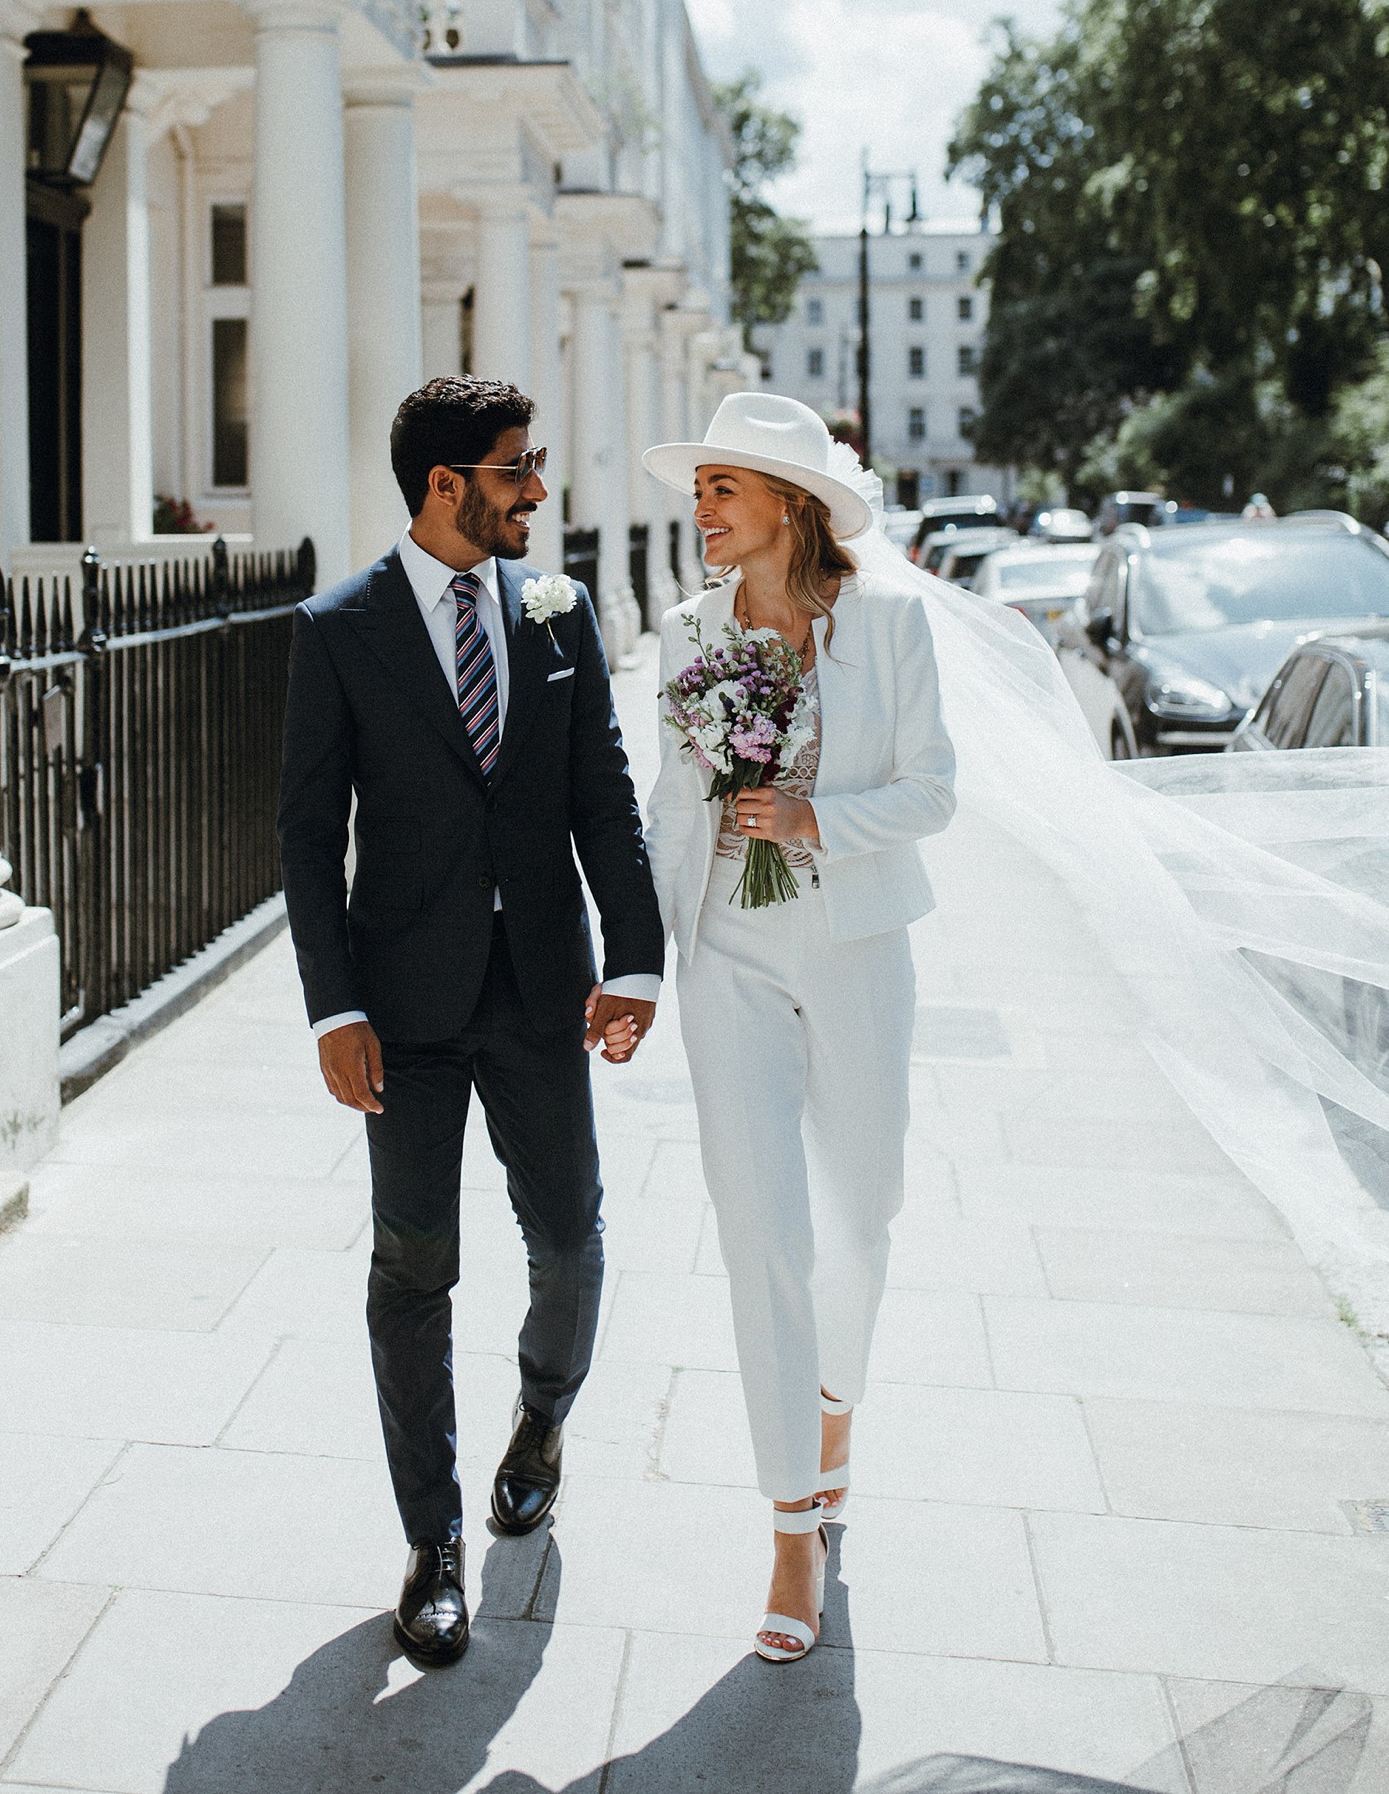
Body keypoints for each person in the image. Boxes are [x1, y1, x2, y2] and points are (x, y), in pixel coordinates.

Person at [278, 376, 665, 1669]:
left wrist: (639, 958)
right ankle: (433, 1544)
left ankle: (541, 1416)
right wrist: (333, 1004)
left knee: (568, 1237)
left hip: (540, 989)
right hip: (404, 1008)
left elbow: (602, 791)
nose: (538, 490)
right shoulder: (339, 628)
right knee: (413, 1269)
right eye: (518, 467)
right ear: (447, 483)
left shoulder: (555, 613)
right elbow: (305, 834)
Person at [639, 394, 955, 1664]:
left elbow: (933, 790)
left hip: (859, 949)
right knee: (760, 1230)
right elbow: (670, 802)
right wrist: (634, 968)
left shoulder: (888, 623)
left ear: (788, 505)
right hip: (730, 953)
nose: (702, 511)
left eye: (723, 489)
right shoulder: (683, 633)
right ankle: (786, 1525)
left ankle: (836, 1403)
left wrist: (816, 818)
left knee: (859, 1216)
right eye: (701, 487)